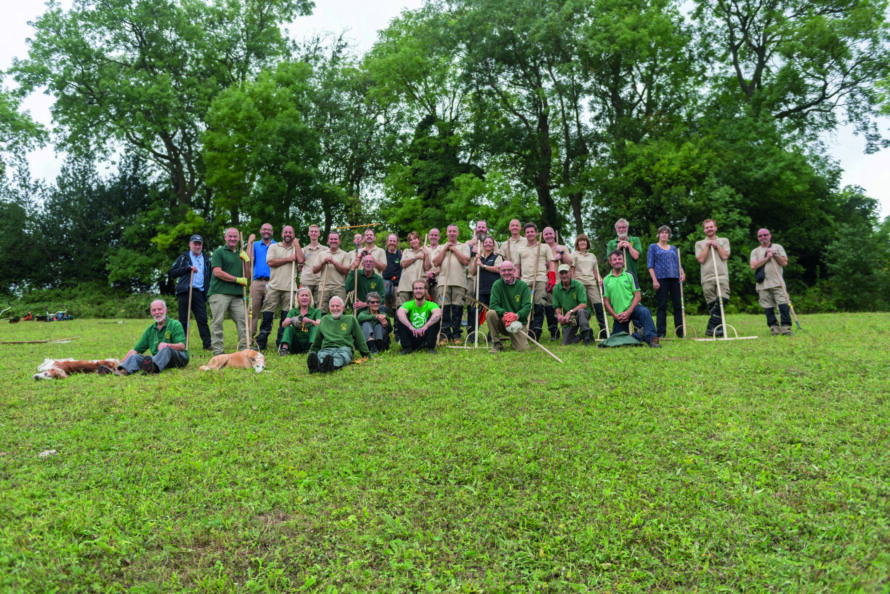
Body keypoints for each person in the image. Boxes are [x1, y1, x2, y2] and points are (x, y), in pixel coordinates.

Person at [104, 299, 189, 375]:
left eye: (160, 309)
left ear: (165, 310)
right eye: (154, 310)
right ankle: (123, 371)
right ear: (151, 313)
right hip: (159, 361)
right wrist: (120, 363)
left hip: (179, 358)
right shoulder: (150, 330)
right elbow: (135, 350)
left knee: (166, 350)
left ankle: (153, 368)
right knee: (135, 357)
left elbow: (182, 346)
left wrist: (168, 345)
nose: (157, 312)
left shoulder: (175, 324)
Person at [257, 225, 304, 350]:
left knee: (286, 317)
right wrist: (289, 259)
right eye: (285, 232)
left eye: (290, 232)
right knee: (267, 315)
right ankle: (261, 343)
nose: (288, 234)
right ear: (282, 234)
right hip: (274, 286)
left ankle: (281, 342)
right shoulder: (274, 247)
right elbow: (271, 262)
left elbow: (300, 260)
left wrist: (297, 243)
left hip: (290, 288)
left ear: (293, 234)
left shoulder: (296, 248)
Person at [603, 250, 660, 348]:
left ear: (624, 261)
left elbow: (638, 295)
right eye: (615, 259)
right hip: (619, 315)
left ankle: (652, 339)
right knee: (617, 341)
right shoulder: (606, 280)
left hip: (633, 309)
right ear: (610, 262)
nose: (617, 261)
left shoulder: (630, 275)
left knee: (645, 312)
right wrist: (615, 315)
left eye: (620, 259)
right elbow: (606, 302)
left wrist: (629, 311)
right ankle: (639, 335)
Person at [168, 234, 212, 351]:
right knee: (183, 319)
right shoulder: (183, 257)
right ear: (190, 244)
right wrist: (188, 268)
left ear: (202, 245)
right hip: (185, 291)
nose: (197, 246)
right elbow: (172, 272)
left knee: (202, 319)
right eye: (195, 243)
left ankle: (207, 344)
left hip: (199, 292)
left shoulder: (207, 259)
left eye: (199, 244)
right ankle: (182, 344)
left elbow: (210, 276)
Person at [208, 228, 249, 355]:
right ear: (225, 237)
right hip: (219, 293)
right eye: (230, 236)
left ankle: (244, 349)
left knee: (243, 320)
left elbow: (247, 276)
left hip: (237, 295)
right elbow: (217, 272)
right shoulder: (219, 252)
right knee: (218, 322)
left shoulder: (240, 254)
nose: (232, 239)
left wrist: (246, 261)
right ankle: (218, 351)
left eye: (235, 236)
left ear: (238, 238)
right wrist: (237, 280)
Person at [307, 296, 370, 373]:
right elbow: (317, 340)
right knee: (322, 355)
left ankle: (331, 366)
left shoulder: (350, 319)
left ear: (343, 307)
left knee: (340, 357)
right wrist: (312, 352)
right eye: (332, 306)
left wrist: (366, 354)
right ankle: (317, 366)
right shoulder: (324, 319)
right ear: (329, 308)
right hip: (327, 348)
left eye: (337, 306)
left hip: (344, 348)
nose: (335, 308)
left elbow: (359, 339)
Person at [515, 223, 555, 341]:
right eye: (527, 232)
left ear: (537, 233)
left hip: (540, 279)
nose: (530, 234)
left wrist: (551, 277)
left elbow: (551, 263)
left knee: (539, 306)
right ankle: (527, 330)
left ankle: (536, 332)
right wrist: (517, 279)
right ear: (525, 234)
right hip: (525, 281)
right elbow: (517, 267)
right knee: (527, 307)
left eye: (532, 231)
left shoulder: (544, 247)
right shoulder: (521, 249)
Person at [432, 224, 471, 344]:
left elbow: (465, 261)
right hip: (444, 283)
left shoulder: (463, 246)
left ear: (457, 233)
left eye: (454, 231)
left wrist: (454, 249)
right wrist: (445, 249)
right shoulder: (440, 247)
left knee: (457, 309)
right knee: (444, 309)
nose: (452, 233)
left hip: (459, 282)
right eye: (450, 231)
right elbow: (435, 262)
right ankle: (444, 335)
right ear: (447, 233)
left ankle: (456, 335)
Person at [750, 228, 792, 335]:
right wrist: (766, 258)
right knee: (768, 307)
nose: (763, 237)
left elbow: (784, 263)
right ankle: (774, 328)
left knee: (783, 304)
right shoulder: (755, 251)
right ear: (758, 238)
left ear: (770, 236)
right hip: (762, 284)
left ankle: (786, 328)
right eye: (760, 236)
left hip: (778, 283)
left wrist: (775, 255)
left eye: (765, 235)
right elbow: (753, 266)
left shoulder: (778, 247)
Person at [647, 225, 686, 338]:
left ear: (669, 235)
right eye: (662, 232)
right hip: (661, 279)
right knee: (662, 306)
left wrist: (682, 273)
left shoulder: (673, 248)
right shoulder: (653, 247)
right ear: (658, 234)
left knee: (678, 305)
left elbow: (678, 263)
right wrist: (654, 280)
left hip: (675, 279)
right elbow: (650, 265)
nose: (664, 234)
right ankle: (661, 333)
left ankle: (680, 332)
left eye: (666, 232)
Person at [695, 218, 731, 337]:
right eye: (707, 227)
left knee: (723, 299)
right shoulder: (699, 243)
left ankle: (711, 327)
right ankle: (718, 330)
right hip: (707, 277)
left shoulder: (724, 240)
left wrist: (717, 246)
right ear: (704, 230)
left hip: (722, 276)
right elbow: (701, 259)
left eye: (711, 227)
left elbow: (725, 256)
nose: (709, 229)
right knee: (712, 305)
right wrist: (707, 246)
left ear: (715, 228)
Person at [487, 260, 532, 353]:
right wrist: (505, 315)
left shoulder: (523, 286)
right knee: (490, 313)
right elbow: (493, 305)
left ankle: (515, 341)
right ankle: (497, 343)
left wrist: (516, 316)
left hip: (518, 322)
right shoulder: (497, 285)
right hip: (504, 321)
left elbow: (527, 306)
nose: (506, 273)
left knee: (522, 349)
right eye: (503, 270)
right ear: (500, 272)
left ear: (514, 271)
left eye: (509, 270)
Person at [570, 234, 608, 337]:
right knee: (581, 307)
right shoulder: (574, 254)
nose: (583, 243)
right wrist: (573, 283)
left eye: (585, 241)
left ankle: (603, 330)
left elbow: (596, 271)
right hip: (579, 283)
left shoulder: (592, 256)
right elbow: (572, 270)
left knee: (598, 305)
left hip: (591, 283)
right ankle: (582, 330)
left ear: (587, 243)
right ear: (577, 243)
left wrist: (600, 280)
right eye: (580, 241)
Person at [468, 235, 503, 340]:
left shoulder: (497, 256)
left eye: (490, 242)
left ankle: (492, 335)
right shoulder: (478, 257)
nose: (488, 244)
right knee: (474, 312)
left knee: (492, 313)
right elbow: (472, 272)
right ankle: (472, 335)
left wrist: (483, 266)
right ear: (482, 245)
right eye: (486, 242)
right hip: (480, 290)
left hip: (493, 290)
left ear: (493, 245)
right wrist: (476, 262)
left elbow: (498, 269)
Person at [396, 280, 443, 354]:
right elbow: (400, 312)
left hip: (425, 334)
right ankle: (407, 347)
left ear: (426, 290)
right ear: (413, 290)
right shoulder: (408, 304)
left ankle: (429, 347)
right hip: (412, 334)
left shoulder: (431, 304)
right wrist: (410, 326)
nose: (418, 291)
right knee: (400, 317)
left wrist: (426, 326)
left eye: (421, 288)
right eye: (416, 288)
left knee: (436, 318)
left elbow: (438, 313)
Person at [552, 264, 594, 346]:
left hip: (581, 314)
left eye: (566, 273)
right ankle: (585, 335)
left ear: (570, 273)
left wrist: (570, 312)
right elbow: (557, 306)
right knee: (565, 342)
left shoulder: (578, 285)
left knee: (581, 311)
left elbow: (583, 304)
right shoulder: (556, 289)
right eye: (562, 273)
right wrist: (559, 315)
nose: (564, 275)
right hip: (569, 318)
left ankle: (586, 337)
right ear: (559, 275)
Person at [312, 231, 353, 313]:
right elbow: (314, 270)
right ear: (328, 241)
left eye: (335, 239)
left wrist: (334, 262)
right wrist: (323, 263)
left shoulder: (345, 254)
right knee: (321, 312)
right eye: (331, 239)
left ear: (339, 241)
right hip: (324, 287)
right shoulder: (322, 254)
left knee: (340, 311)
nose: (333, 241)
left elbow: (346, 271)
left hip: (339, 287)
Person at [247, 223, 275, 339]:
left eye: (269, 229)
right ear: (260, 231)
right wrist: (249, 242)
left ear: (272, 232)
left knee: (268, 312)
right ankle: (250, 338)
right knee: (252, 311)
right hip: (257, 282)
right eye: (264, 229)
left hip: (272, 282)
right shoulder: (255, 245)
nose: (266, 231)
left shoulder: (276, 246)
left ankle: (262, 339)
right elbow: (247, 259)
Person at [542, 226, 570, 342]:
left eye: (550, 234)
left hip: (561, 280)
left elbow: (569, 263)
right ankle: (554, 331)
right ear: (543, 236)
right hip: (548, 281)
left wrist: (562, 254)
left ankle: (567, 329)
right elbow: (540, 264)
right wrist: (553, 259)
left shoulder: (562, 247)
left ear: (554, 234)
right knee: (550, 307)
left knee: (563, 305)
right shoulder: (542, 248)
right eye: (546, 234)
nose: (548, 236)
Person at [279, 287, 322, 356]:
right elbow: (283, 325)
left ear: (310, 298)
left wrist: (310, 321)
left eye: (307, 295)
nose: (304, 298)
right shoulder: (293, 311)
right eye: (302, 295)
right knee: (289, 328)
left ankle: (313, 351)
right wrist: (291, 320)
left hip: (309, 343)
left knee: (314, 328)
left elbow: (319, 325)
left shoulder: (316, 311)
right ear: (298, 298)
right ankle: (284, 350)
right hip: (296, 344)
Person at [397, 231, 430, 306]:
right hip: (405, 286)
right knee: (404, 308)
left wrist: (426, 254)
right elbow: (403, 264)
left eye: (415, 238)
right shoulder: (406, 251)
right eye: (411, 240)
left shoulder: (425, 251)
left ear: (419, 239)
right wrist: (417, 257)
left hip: (419, 287)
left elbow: (427, 268)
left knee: (417, 308)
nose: (413, 241)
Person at [299, 224, 327, 307]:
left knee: (318, 305)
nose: (313, 233)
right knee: (305, 304)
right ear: (308, 233)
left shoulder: (325, 249)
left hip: (320, 281)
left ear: (319, 234)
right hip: (306, 281)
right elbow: (299, 266)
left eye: (315, 231)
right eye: (311, 231)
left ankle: (317, 320)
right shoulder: (303, 250)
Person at [381, 233, 402, 312]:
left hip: (397, 284)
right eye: (390, 241)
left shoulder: (400, 254)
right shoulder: (383, 253)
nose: (392, 243)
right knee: (383, 305)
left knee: (396, 306)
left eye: (394, 241)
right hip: (385, 282)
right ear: (387, 242)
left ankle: (396, 323)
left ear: (397, 243)